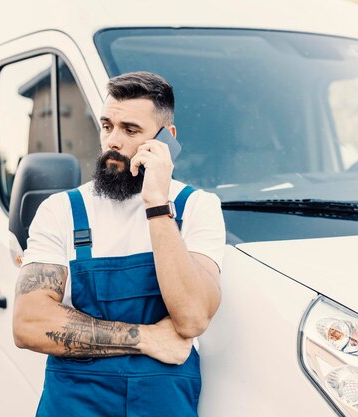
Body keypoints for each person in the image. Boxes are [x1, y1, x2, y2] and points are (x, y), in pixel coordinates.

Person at [12, 71, 225, 417]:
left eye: (130, 130)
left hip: (161, 404)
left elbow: (192, 318)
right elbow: (28, 322)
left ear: (166, 140)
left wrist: (156, 205)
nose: (112, 140)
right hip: (74, 404)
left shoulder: (197, 207)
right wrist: (146, 338)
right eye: (106, 125)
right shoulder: (62, 210)